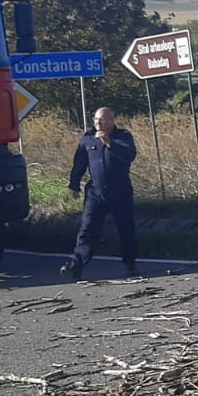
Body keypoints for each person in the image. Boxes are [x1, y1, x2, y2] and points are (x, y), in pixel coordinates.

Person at [61, 106, 139, 280]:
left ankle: (130, 263)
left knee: (126, 228)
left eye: (102, 120)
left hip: (120, 191)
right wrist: (74, 185)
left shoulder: (123, 137)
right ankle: (76, 265)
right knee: (87, 228)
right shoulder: (88, 138)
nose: (98, 123)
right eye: (96, 119)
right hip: (95, 193)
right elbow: (79, 163)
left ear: (112, 121)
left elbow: (130, 155)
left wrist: (109, 142)